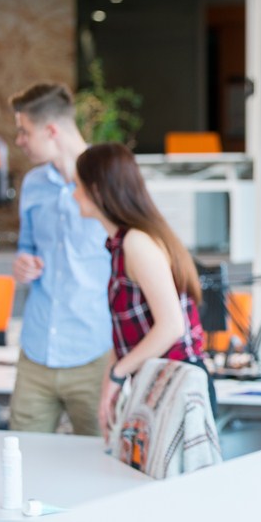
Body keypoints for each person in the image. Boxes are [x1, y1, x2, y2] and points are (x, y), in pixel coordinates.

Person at [73, 142, 212, 439]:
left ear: (97, 190)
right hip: (160, 382)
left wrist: (117, 373)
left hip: (177, 384)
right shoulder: (124, 243)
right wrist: (111, 382)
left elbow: (172, 326)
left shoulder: (137, 243)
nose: (73, 194)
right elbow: (127, 332)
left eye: (78, 186)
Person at [8, 83, 112, 435]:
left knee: (100, 467)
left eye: (24, 131)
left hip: (94, 355)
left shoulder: (108, 181)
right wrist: (24, 262)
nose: (19, 140)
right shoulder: (33, 184)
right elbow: (28, 246)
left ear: (51, 131)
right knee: (22, 459)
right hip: (36, 352)